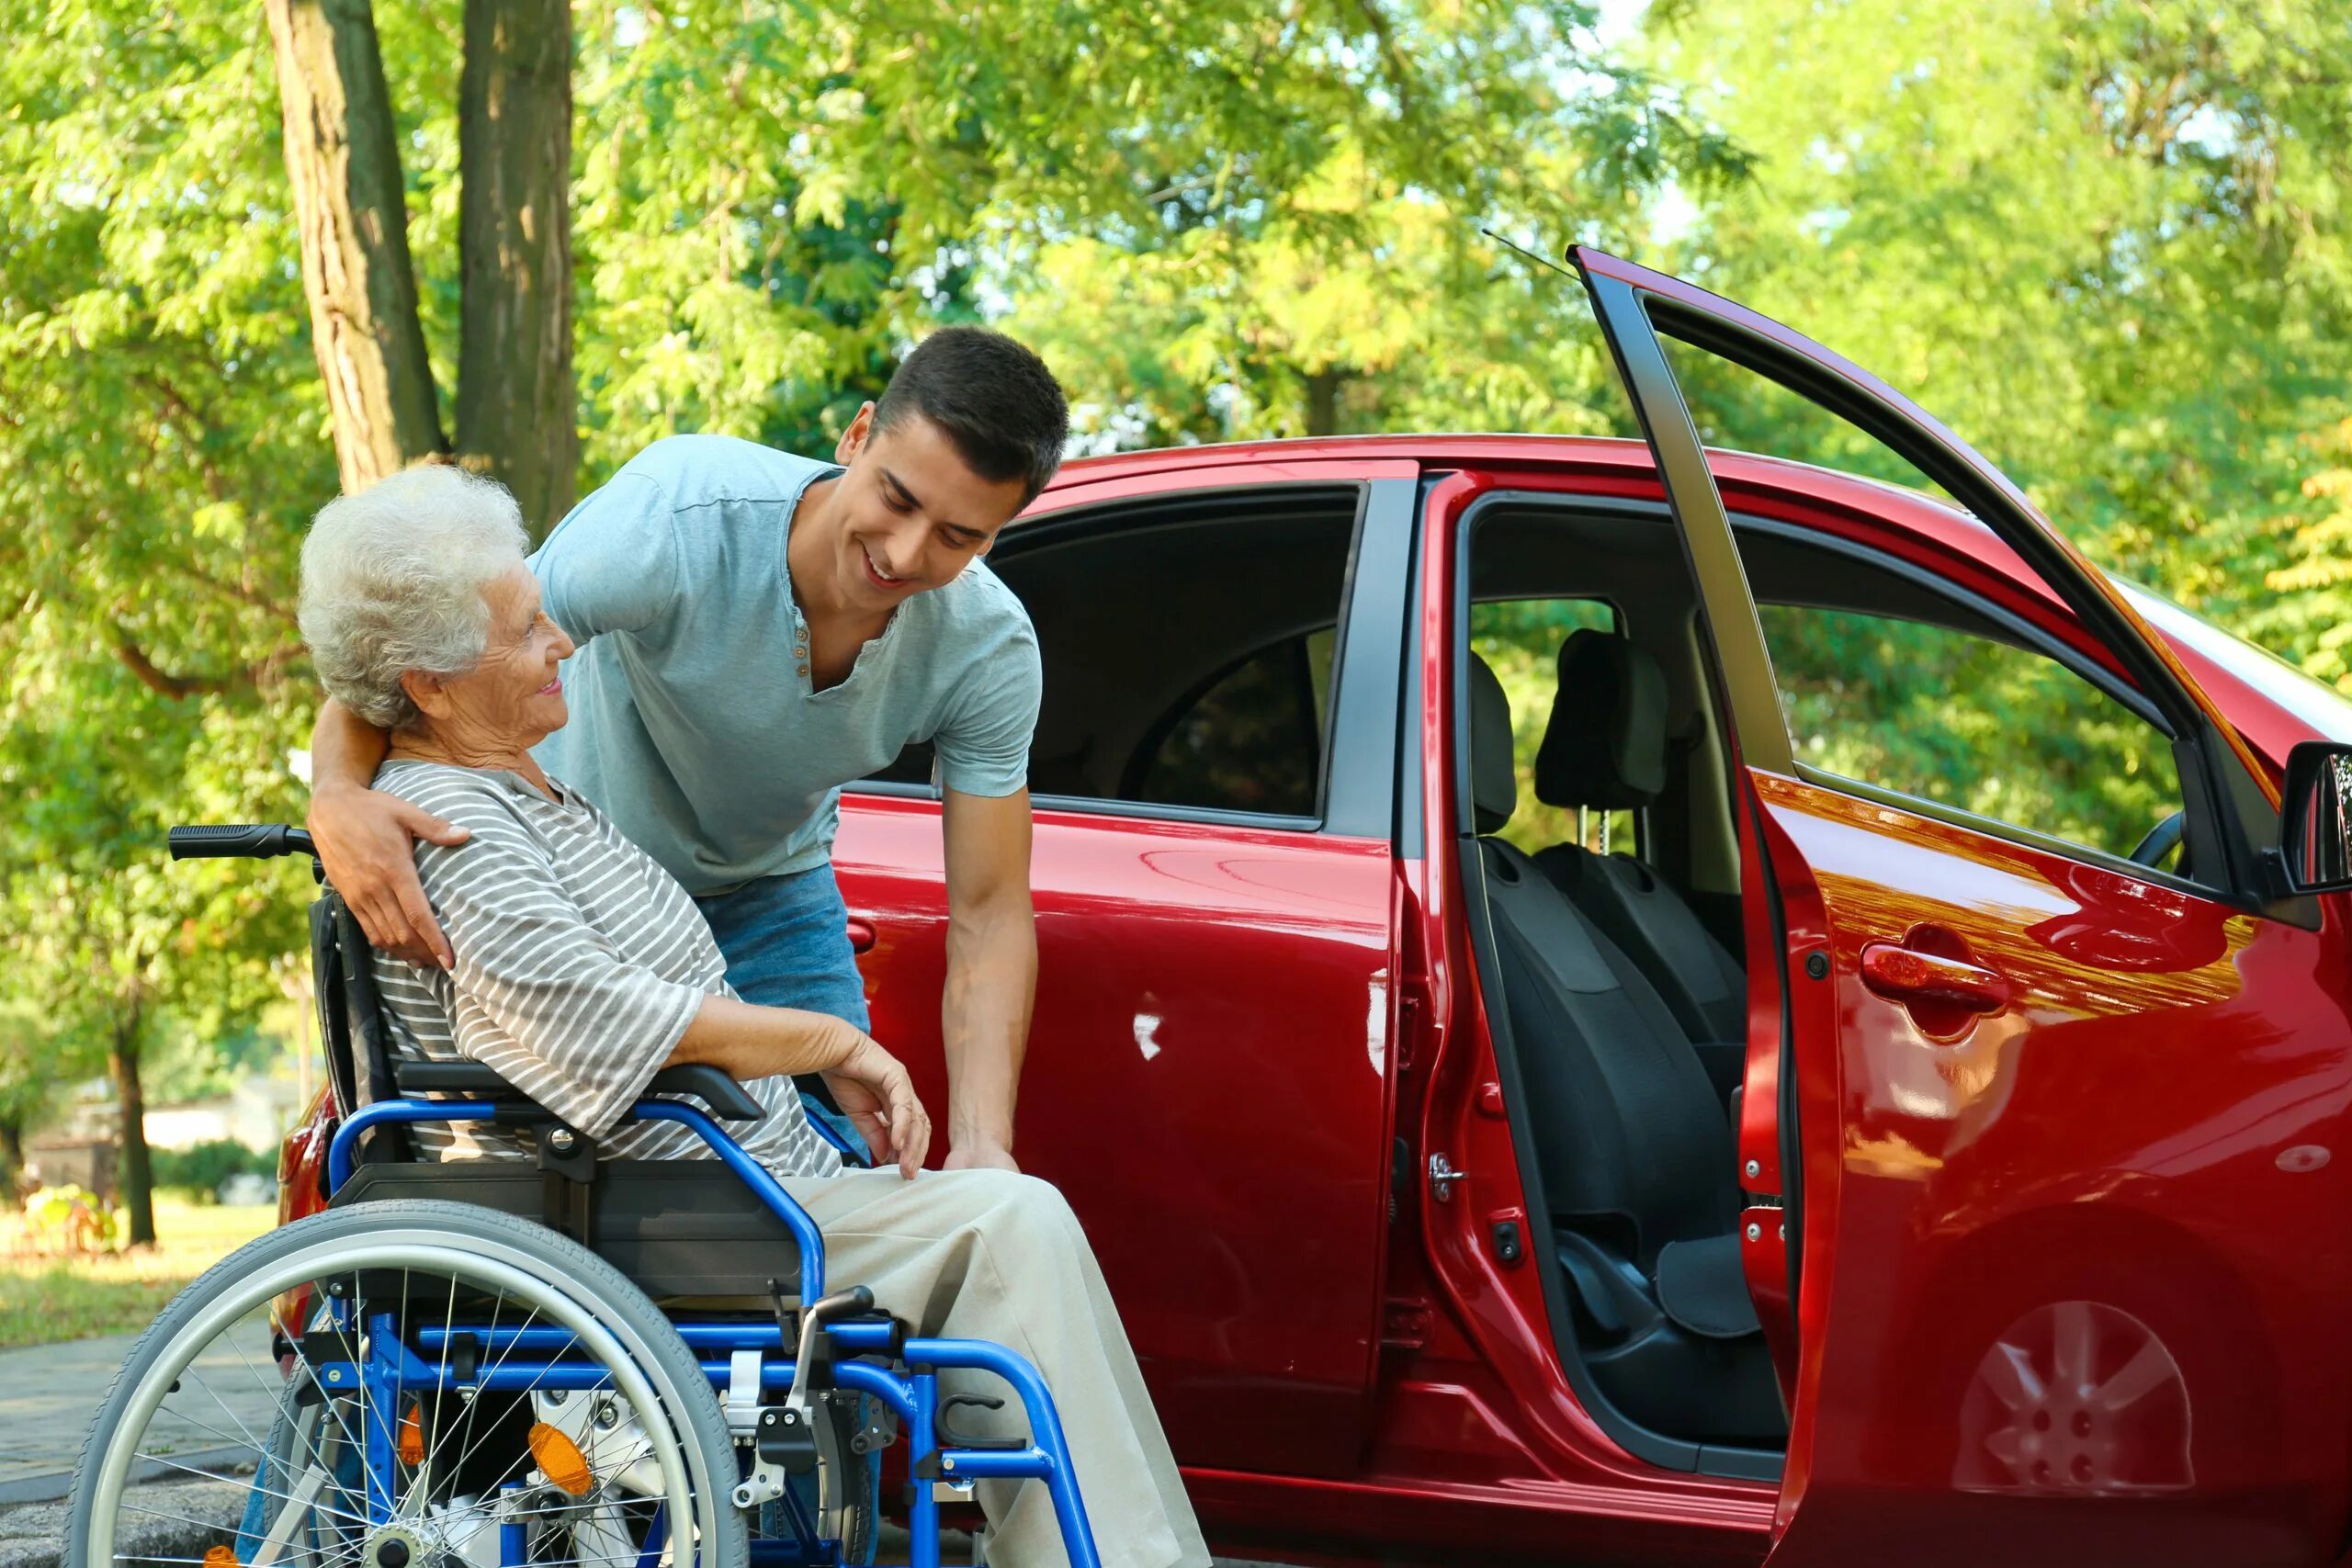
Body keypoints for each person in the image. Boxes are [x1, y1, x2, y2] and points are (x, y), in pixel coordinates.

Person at [294, 464, 1210, 1568]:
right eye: (527, 630)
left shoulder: (520, 789)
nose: (564, 642)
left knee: (1008, 1213)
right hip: (649, 1204)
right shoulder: (452, 821)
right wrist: (828, 1038)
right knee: (1009, 1226)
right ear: (430, 688)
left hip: (706, 1179)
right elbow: (580, 1019)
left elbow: (987, 914)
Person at [307, 327, 1062, 1171]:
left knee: (848, 1168)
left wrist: (986, 1145)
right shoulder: (674, 521)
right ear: (856, 437)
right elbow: (427, 655)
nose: (905, 552)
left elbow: (991, 912)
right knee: (601, 1179)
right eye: (896, 497)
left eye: (959, 537)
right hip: (583, 882)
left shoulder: (987, 649)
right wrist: (335, 792)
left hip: (768, 889)